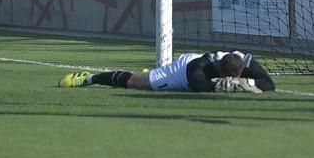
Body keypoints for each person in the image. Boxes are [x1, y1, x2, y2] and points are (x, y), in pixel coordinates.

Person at [58, 50, 275, 93]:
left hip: (209, 76)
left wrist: (248, 84)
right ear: (218, 68)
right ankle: (91, 78)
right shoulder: (199, 65)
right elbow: (198, 85)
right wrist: (220, 85)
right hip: (180, 74)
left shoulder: (246, 62)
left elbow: (269, 84)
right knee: (137, 82)